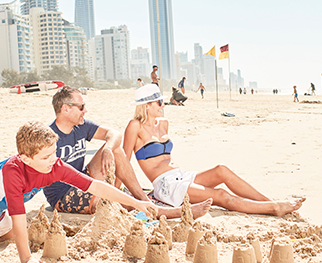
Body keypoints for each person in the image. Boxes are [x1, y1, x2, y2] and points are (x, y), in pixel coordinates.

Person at [0, 121, 158, 263]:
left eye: (54, 153)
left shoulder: (54, 165)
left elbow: (95, 186)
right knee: (4, 236)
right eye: (45, 157)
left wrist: (136, 202)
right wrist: (26, 259)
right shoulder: (13, 175)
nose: (53, 161)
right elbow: (18, 220)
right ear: (25, 158)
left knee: (10, 230)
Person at [122, 84, 305, 216]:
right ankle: (274, 208)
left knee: (221, 170)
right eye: (159, 103)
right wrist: (127, 192)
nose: (164, 105)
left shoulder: (163, 123)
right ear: (147, 106)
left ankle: (268, 202)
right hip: (166, 185)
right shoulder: (134, 126)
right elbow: (123, 160)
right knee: (220, 195)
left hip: (182, 175)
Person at [43, 86, 209, 219]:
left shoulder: (81, 126)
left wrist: (108, 148)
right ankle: (163, 212)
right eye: (81, 107)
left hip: (83, 177)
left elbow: (115, 134)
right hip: (63, 194)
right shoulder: (49, 138)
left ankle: (144, 201)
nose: (85, 111)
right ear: (65, 109)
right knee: (107, 200)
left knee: (115, 147)